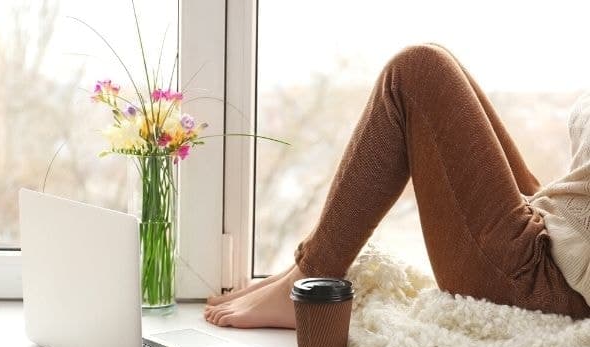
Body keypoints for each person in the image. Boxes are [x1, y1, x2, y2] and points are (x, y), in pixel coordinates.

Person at [204, 43, 590, 328]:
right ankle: (303, 269)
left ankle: (308, 281)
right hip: (559, 236)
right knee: (438, 61)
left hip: (546, 282)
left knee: (418, 71)